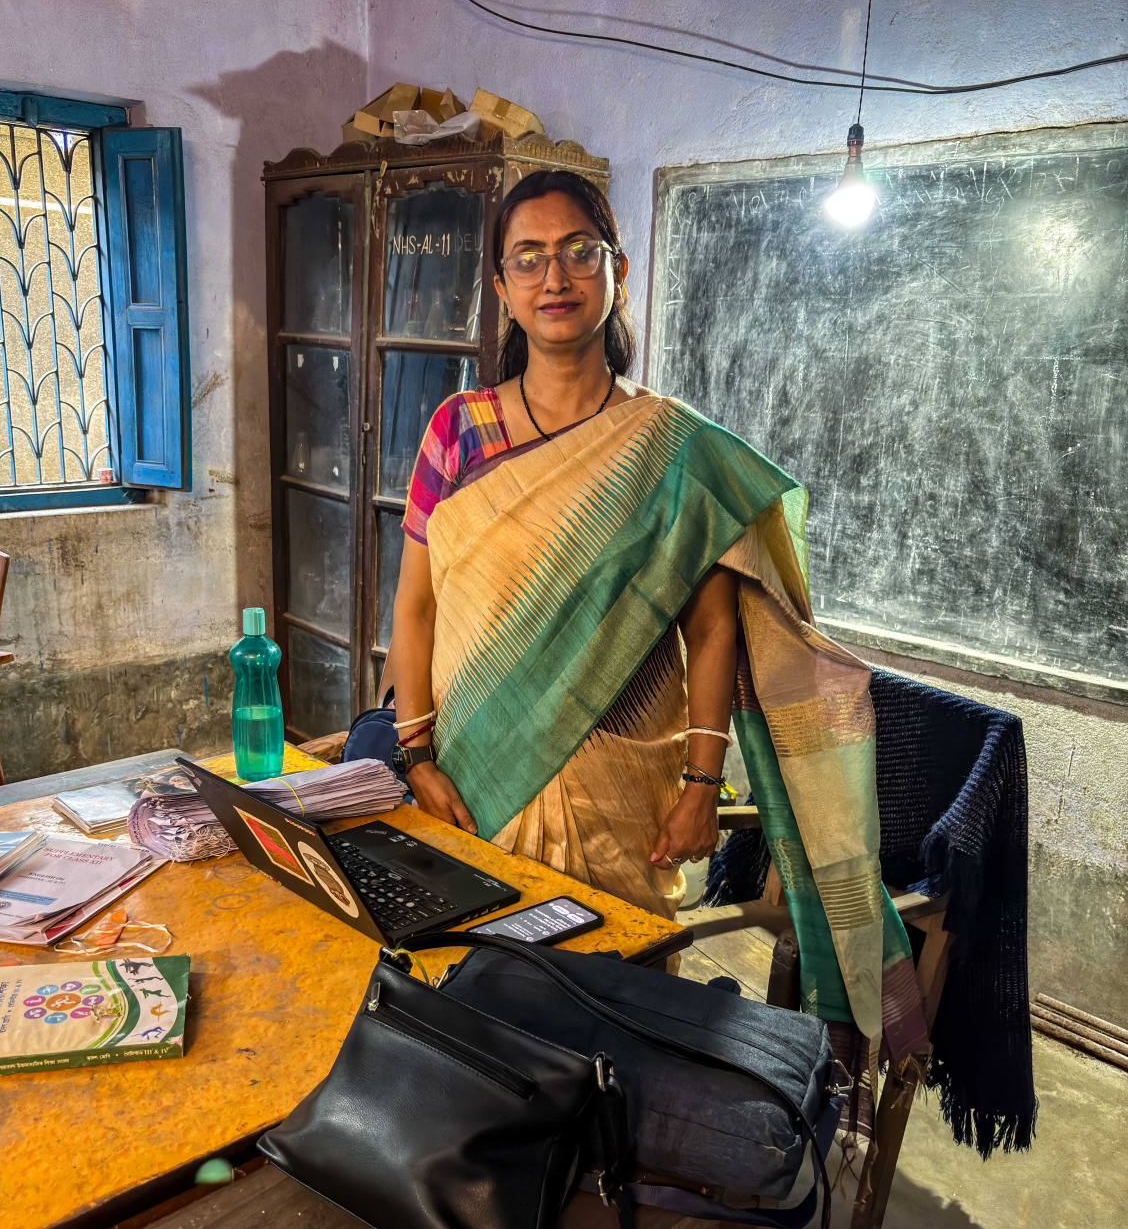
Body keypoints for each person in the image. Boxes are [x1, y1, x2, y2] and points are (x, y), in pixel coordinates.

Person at [386, 169, 926, 1084]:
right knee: (478, 1007)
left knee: (617, 1012)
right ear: (504, 289)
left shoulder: (672, 449)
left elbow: (712, 633)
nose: (556, 277)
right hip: (477, 781)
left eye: (578, 253)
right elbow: (417, 605)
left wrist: (700, 784)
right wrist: (417, 754)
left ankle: (618, 1173)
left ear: (617, 270)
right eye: (530, 259)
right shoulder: (458, 431)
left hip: (622, 789)